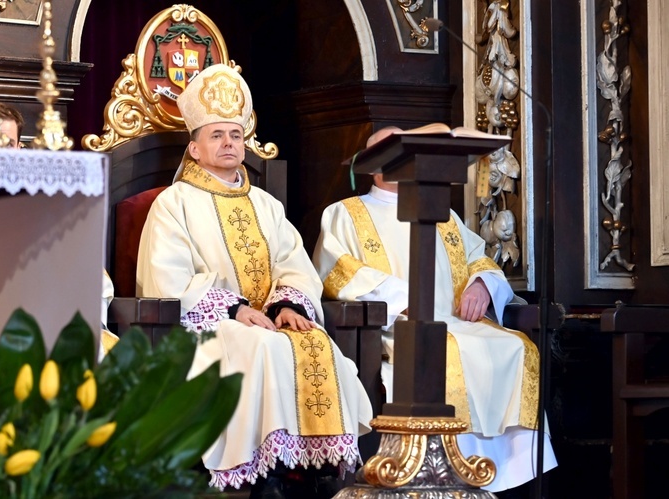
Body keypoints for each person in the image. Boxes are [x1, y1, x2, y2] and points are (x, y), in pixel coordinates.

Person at [136, 64, 372, 498]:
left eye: (235, 135)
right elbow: (167, 279)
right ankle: (266, 474)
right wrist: (235, 309)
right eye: (216, 135)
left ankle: (302, 468)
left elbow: (293, 262)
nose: (228, 143)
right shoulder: (174, 204)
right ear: (193, 148)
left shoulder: (266, 203)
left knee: (312, 342)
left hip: (268, 319)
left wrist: (287, 304)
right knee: (263, 347)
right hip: (207, 328)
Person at [312, 126, 557, 494]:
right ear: (370, 165)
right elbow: (336, 270)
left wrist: (481, 287)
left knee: (518, 347)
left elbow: (480, 259)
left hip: (460, 320)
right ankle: (439, 474)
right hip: (396, 325)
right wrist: (402, 297)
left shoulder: (443, 215)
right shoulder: (346, 213)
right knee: (442, 350)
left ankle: (508, 476)